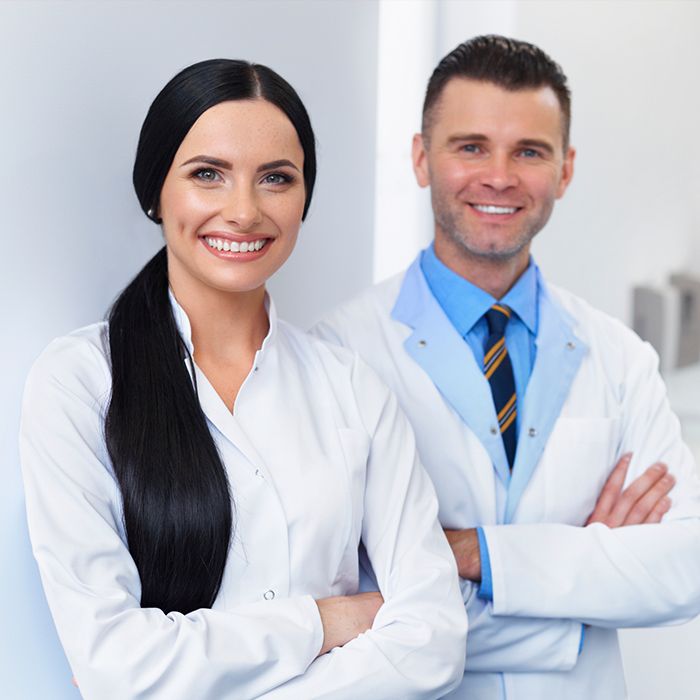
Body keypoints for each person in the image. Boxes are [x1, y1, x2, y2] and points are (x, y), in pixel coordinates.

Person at [19, 59, 467, 700]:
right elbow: (114, 667)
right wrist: (324, 621)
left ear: (304, 197)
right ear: (155, 193)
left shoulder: (351, 388)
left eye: (276, 179)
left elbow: (435, 643)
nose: (244, 210)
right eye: (208, 175)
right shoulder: (79, 384)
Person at [313, 35, 700, 699]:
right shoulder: (338, 355)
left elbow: (685, 567)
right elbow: (348, 607)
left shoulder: (619, 357)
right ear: (420, 158)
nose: (499, 176)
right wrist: (580, 587)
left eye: (529, 151)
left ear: (566, 169)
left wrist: (470, 554)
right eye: (471, 147)